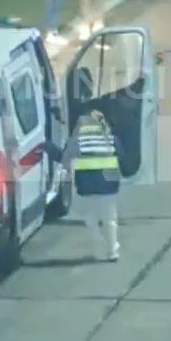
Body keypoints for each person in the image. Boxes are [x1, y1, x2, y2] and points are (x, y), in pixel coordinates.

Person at [47, 109, 123, 261]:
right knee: (110, 219)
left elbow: (64, 158)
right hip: (109, 185)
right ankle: (112, 250)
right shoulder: (110, 138)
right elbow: (123, 158)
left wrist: (49, 148)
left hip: (87, 186)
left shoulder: (78, 140)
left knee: (91, 219)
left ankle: (100, 248)